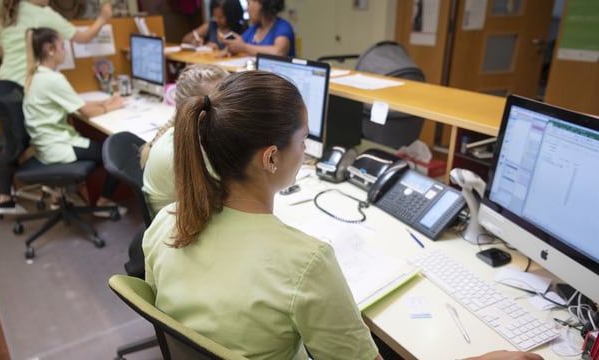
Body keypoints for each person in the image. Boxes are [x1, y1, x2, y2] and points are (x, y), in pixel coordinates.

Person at [142, 71, 544, 360]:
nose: (306, 151)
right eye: (303, 140)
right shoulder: (305, 262)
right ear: (271, 157)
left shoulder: (167, 223)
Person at [0, 0, 113, 214]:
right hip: (24, 90)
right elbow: (83, 37)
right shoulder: (43, 16)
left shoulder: (2, 14)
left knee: (17, 145)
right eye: (61, 46)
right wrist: (103, 17)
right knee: (17, 147)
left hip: (9, 88)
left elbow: (0, 52)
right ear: (50, 49)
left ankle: (47, 193)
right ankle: (7, 201)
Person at [22, 27, 126, 216]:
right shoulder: (53, 79)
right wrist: (114, 106)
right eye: (62, 46)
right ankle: (104, 201)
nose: (65, 50)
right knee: (116, 154)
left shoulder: (37, 75)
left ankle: (62, 192)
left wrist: (105, 101)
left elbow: (77, 102)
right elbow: (85, 111)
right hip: (58, 146)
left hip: (45, 144)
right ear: (49, 49)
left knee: (103, 146)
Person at [140, 64, 229, 216]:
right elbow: (224, 201)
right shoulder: (188, 153)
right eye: (226, 101)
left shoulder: (185, 131)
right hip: (176, 228)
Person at [223, 0, 295, 57]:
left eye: (249, 4)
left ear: (260, 4)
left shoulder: (282, 27)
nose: (247, 10)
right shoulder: (254, 29)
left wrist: (244, 48)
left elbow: (279, 52)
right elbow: (240, 44)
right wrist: (232, 48)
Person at [181, 0, 246, 50]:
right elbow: (185, 39)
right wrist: (201, 43)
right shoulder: (211, 26)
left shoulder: (243, 29)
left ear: (232, 15)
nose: (217, 20)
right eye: (214, 16)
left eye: (221, 17)